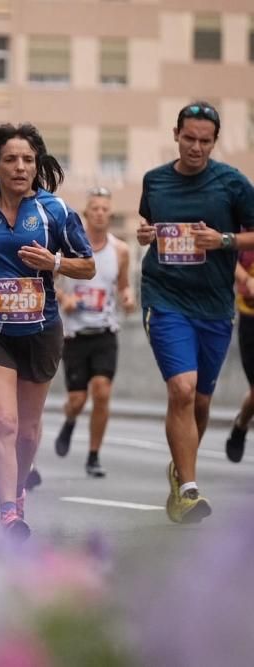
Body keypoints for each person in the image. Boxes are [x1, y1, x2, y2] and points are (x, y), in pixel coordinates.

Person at [0, 123, 94, 540]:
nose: (20, 167)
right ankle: (7, 514)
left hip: (40, 329)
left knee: (28, 431)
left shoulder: (56, 211)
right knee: (4, 421)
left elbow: (86, 265)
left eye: (28, 160)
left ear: (37, 166)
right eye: (11, 160)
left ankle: (16, 491)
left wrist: (53, 263)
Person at [136, 101, 254, 522]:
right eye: (189, 138)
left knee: (201, 401)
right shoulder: (155, 182)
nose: (196, 148)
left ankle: (179, 468)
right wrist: (144, 234)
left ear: (215, 142)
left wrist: (222, 241)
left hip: (215, 305)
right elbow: (149, 227)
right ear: (176, 134)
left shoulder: (233, 184)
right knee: (182, 389)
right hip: (164, 296)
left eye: (205, 141)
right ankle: (188, 489)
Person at [52, 187, 135, 478]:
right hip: (74, 333)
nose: (100, 213)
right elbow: (51, 282)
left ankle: (93, 455)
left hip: (104, 331)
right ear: (86, 215)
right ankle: (70, 421)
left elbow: (124, 284)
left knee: (102, 392)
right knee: (77, 399)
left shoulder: (120, 250)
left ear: (110, 215)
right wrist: (65, 299)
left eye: (105, 209)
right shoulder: (71, 247)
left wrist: (128, 297)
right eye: (95, 209)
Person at [227, 252, 254, 462]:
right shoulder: (245, 224)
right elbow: (227, 254)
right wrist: (246, 279)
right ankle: (242, 423)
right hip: (250, 314)